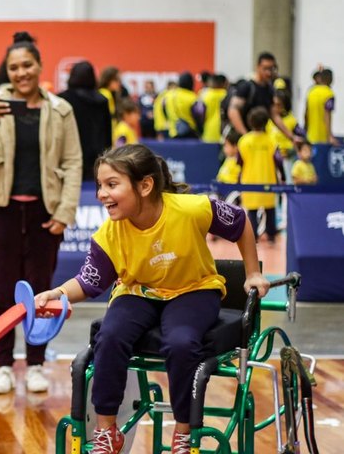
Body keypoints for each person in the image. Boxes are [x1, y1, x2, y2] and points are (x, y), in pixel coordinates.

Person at [33, 143, 269, 454]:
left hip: (193, 290)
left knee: (182, 343)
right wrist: (58, 294)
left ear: (145, 185)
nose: (102, 193)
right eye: (101, 185)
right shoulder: (109, 233)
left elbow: (240, 222)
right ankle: (107, 432)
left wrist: (252, 273)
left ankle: (184, 432)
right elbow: (90, 281)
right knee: (110, 336)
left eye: (112, 185)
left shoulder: (190, 209)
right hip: (138, 292)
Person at [0, 31, 82, 395]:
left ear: (39, 66)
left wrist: (64, 211)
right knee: (0, 291)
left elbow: (74, 161)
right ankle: (2, 365)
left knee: (41, 294)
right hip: (1, 212)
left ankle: (35, 364)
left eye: (27, 65)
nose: (21, 73)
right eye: (14, 67)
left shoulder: (60, 110)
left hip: (44, 216)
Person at [227, 52, 300, 145]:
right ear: (258, 67)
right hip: (242, 142)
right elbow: (233, 112)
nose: (268, 72)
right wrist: (246, 136)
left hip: (259, 141)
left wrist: (291, 137)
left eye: (271, 68)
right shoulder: (246, 87)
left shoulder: (270, 90)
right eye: (265, 68)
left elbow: (274, 116)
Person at [58, 61, 112, 181]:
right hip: (96, 159)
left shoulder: (62, 99)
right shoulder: (102, 100)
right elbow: (107, 132)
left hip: (69, 158)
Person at [237, 106, 283, 243]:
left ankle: (253, 237)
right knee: (270, 210)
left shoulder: (244, 141)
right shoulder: (271, 140)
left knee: (251, 211)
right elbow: (278, 161)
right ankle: (271, 236)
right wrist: (283, 177)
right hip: (268, 180)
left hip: (249, 181)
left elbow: (239, 161)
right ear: (266, 122)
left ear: (250, 122)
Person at [164, 71, 203, 139]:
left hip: (172, 133)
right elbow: (198, 116)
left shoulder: (168, 95)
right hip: (190, 134)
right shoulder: (192, 97)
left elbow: (164, 110)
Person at [304, 67, 338, 145]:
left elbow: (306, 113)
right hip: (322, 138)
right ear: (330, 79)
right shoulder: (329, 94)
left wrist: (305, 129)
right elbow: (327, 115)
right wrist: (330, 136)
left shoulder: (311, 91)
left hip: (310, 136)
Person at [201, 73, 228, 143]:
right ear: (223, 83)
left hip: (209, 131)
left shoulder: (205, 96)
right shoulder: (226, 94)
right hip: (225, 131)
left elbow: (201, 115)